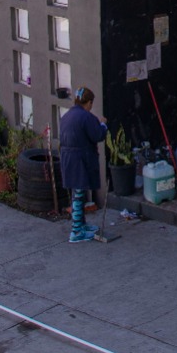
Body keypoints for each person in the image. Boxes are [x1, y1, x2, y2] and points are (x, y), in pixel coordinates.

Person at [58, 86, 107, 244]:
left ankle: (81, 225)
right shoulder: (87, 117)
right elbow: (98, 135)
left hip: (67, 158)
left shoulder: (67, 116)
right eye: (91, 103)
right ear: (89, 102)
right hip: (80, 159)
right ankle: (76, 231)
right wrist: (103, 125)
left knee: (77, 192)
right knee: (79, 195)